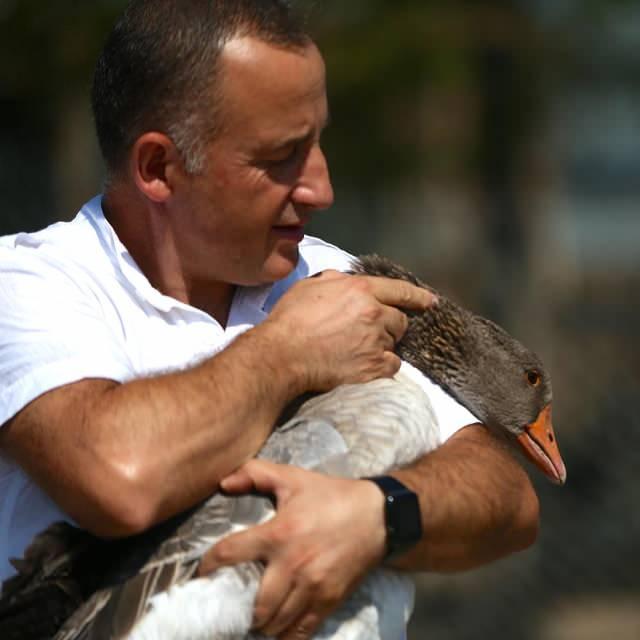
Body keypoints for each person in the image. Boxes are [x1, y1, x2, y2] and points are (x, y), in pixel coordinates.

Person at [0, 1, 540, 639]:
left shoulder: (336, 281)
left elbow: (509, 502)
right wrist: (287, 352)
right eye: (281, 156)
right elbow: (117, 478)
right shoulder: (30, 285)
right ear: (158, 168)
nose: (321, 187)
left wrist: (376, 515)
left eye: (318, 141)